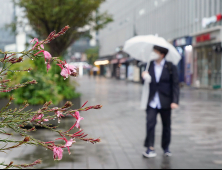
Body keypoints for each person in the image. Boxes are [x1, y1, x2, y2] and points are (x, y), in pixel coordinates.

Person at [142, 45, 179, 158]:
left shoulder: (170, 67)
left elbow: (175, 85)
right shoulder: (148, 66)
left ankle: (166, 147)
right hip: (152, 100)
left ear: (162, 54)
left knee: (166, 125)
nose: (153, 53)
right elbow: (143, 83)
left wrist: (175, 101)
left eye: (156, 52)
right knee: (150, 123)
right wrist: (144, 77)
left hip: (166, 100)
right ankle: (150, 147)